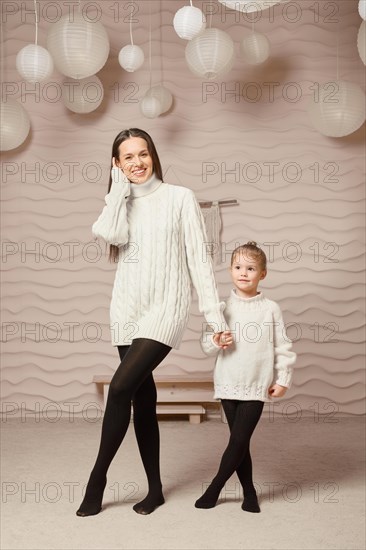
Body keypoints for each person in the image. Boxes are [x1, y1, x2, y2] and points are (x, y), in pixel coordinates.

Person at [76, 128, 228, 517]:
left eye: (143, 154)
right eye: (127, 157)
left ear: (153, 155)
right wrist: (116, 190)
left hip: (165, 308)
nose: (137, 162)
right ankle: (155, 490)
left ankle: (97, 480)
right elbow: (108, 233)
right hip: (126, 308)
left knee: (121, 386)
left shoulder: (180, 198)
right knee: (143, 400)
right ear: (117, 164)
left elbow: (199, 261)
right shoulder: (121, 202)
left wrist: (214, 318)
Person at [195, 241, 296, 513]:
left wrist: (283, 378)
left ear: (262, 274)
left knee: (239, 440)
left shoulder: (270, 309)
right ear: (230, 270)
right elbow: (206, 346)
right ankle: (249, 492)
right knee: (239, 442)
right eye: (238, 267)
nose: (243, 273)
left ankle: (215, 488)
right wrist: (217, 340)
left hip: (257, 383)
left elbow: (283, 345)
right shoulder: (222, 309)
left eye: (250, 268)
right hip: (228, 381)